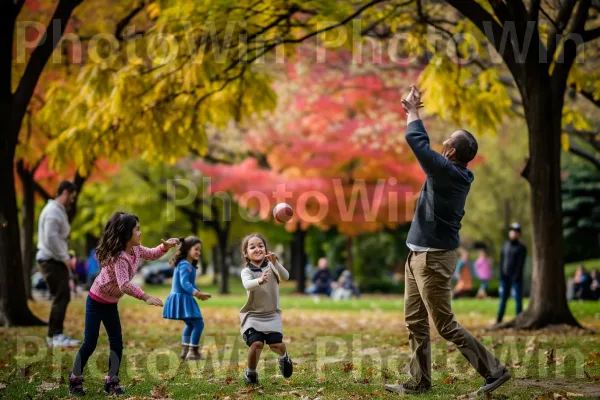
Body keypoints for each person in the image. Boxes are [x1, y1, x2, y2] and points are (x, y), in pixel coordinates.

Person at [385, 85, 509, 395]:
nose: (443, 142)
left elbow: (416, 140)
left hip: (433, 259)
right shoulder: (450, 170)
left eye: (448, 141)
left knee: (445, 325)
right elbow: (424, 145)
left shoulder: (447, 173)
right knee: (414, 320)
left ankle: (494, 370)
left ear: (452, 151)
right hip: (416, 255)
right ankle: (418, 382)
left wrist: (413, 110)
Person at [68, 212, 179, 396]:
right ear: (127, 234)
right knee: (90, 342)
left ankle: (112, 381)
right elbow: (124, 284)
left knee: (117, 343)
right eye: (137, 229)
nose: (140, 233)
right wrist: (145, 297)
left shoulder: (135, 250)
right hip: (95, 301)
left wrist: (164, 247)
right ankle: (74, 378)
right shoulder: (119, 257)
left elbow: (151, 254)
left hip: (111, 304)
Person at [239, 233, 293, 385]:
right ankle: (251, 374)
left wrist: (276, 263)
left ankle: (284, 357)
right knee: (256, 344)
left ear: (266, 249)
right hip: (252, 316)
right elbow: (247, 285)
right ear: (246, 253)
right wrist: (259, 280)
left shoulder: (271, 265)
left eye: (260, 246)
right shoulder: (246, 271)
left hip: (272, 315)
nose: (257, 249)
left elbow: (286, 277)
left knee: (276, 345)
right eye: (252, 247)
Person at [36, 181, 80, 348]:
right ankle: (54, 336)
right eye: (72, 196)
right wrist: (64, 257)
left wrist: (65, 256)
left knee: (62, 295)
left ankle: (56, 334)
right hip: (50, 260)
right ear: (65, 192)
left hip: (56, 259)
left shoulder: (58, 211)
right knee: (61, 295)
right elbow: (51, 238)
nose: (72, 200)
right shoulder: (53, 211)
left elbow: (58, 238)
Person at [163, 236, 211, 361]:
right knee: (198, 324)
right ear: (188, 249)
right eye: (196, 249)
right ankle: (193, 352)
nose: (198, 252)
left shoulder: (187, 265)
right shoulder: (185, 265)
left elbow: (190, 284)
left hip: (183, 298)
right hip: (182, 298)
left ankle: (185, 350)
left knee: (190, 324)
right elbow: (185, 283)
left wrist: (199, 292)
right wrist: (196, 293)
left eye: (200, 250)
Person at [496, 223, 527, 323]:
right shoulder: (505, 245)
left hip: (516, 278)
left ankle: (519, 319)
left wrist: (516, 276)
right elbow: (502, 261)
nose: (513, 233)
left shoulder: (521, 247)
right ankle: (499, 319)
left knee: (518, 300)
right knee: (503, 300)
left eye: (516, 231)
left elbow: (520, 264)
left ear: (518, 234)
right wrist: (501, 275)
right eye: (512, 231)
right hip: (505, 278)